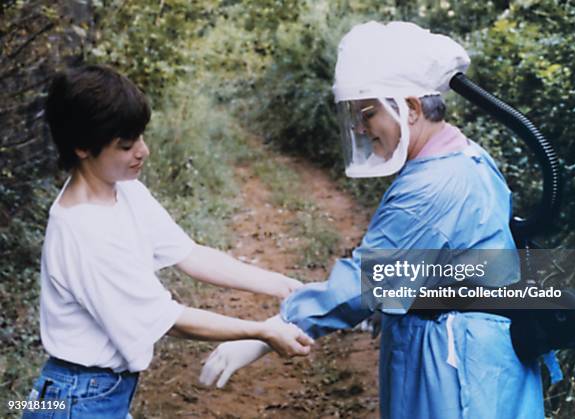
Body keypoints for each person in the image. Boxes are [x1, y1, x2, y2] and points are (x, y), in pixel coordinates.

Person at [201, 22, 546, 418]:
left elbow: (368, 280)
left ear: (412, 109)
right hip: (480, 353)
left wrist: (267, 333)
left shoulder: (432, 185)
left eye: (368, 114)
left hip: (454, 361)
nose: (361, 128)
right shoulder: (467, 156)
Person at [23, 64, 314, 419]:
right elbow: (168, 319)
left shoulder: (126, 191)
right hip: (76, 400)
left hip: (89, 394)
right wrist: (261, 332)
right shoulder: (84, 231)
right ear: (83, 147)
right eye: (127, 145)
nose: (142, 152)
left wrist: (285, 287)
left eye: (141, 137)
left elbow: (190, 255)